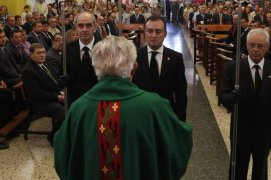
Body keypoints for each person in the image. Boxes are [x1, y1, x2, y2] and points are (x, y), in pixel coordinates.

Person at [54, 36, 192, 180]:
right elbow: (177, 147)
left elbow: (63, 156)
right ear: (134, 67)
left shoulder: (78, 109)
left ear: (95, 68)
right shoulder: (155, 106)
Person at [220, 28, 271, 180]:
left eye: (260, 46)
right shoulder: (234, 68)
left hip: (264, 130)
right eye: (252, 45)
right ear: (246, 44)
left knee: (261, 169)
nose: (255, 49)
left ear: (267, 47)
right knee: (237, 168)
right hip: (240, 129)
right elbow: (223, 95)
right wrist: (231, 98)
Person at [132, 16, 187, 121]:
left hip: (167, 115)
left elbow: (181, 93)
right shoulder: (134, 56)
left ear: (165, 34)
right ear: (144, 33)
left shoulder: (176, 58)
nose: (153, 35)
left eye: (158, 32)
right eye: (149, 31)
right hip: (141, 116)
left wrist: (180, 122)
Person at [22, 43, 65, 146]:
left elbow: (53, 81)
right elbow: (36, 93)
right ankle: (53, 137)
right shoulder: (28, 71)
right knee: (61, 111)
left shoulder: (45, 64)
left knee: (71, 104)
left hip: (49, 97)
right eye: (38, 53)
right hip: (39, 103)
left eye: (43, 52)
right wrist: (57, 97)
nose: (42, 55)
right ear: (31, 54)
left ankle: (64, 134)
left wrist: (61, 92)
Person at [65, 11, 99, 107]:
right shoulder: (68, 49)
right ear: (75, 27)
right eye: (81, 26)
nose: (84, 29)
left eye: (88, 25)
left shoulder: (104, 48)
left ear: (94, 27)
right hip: (76, 102)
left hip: (98, 101)